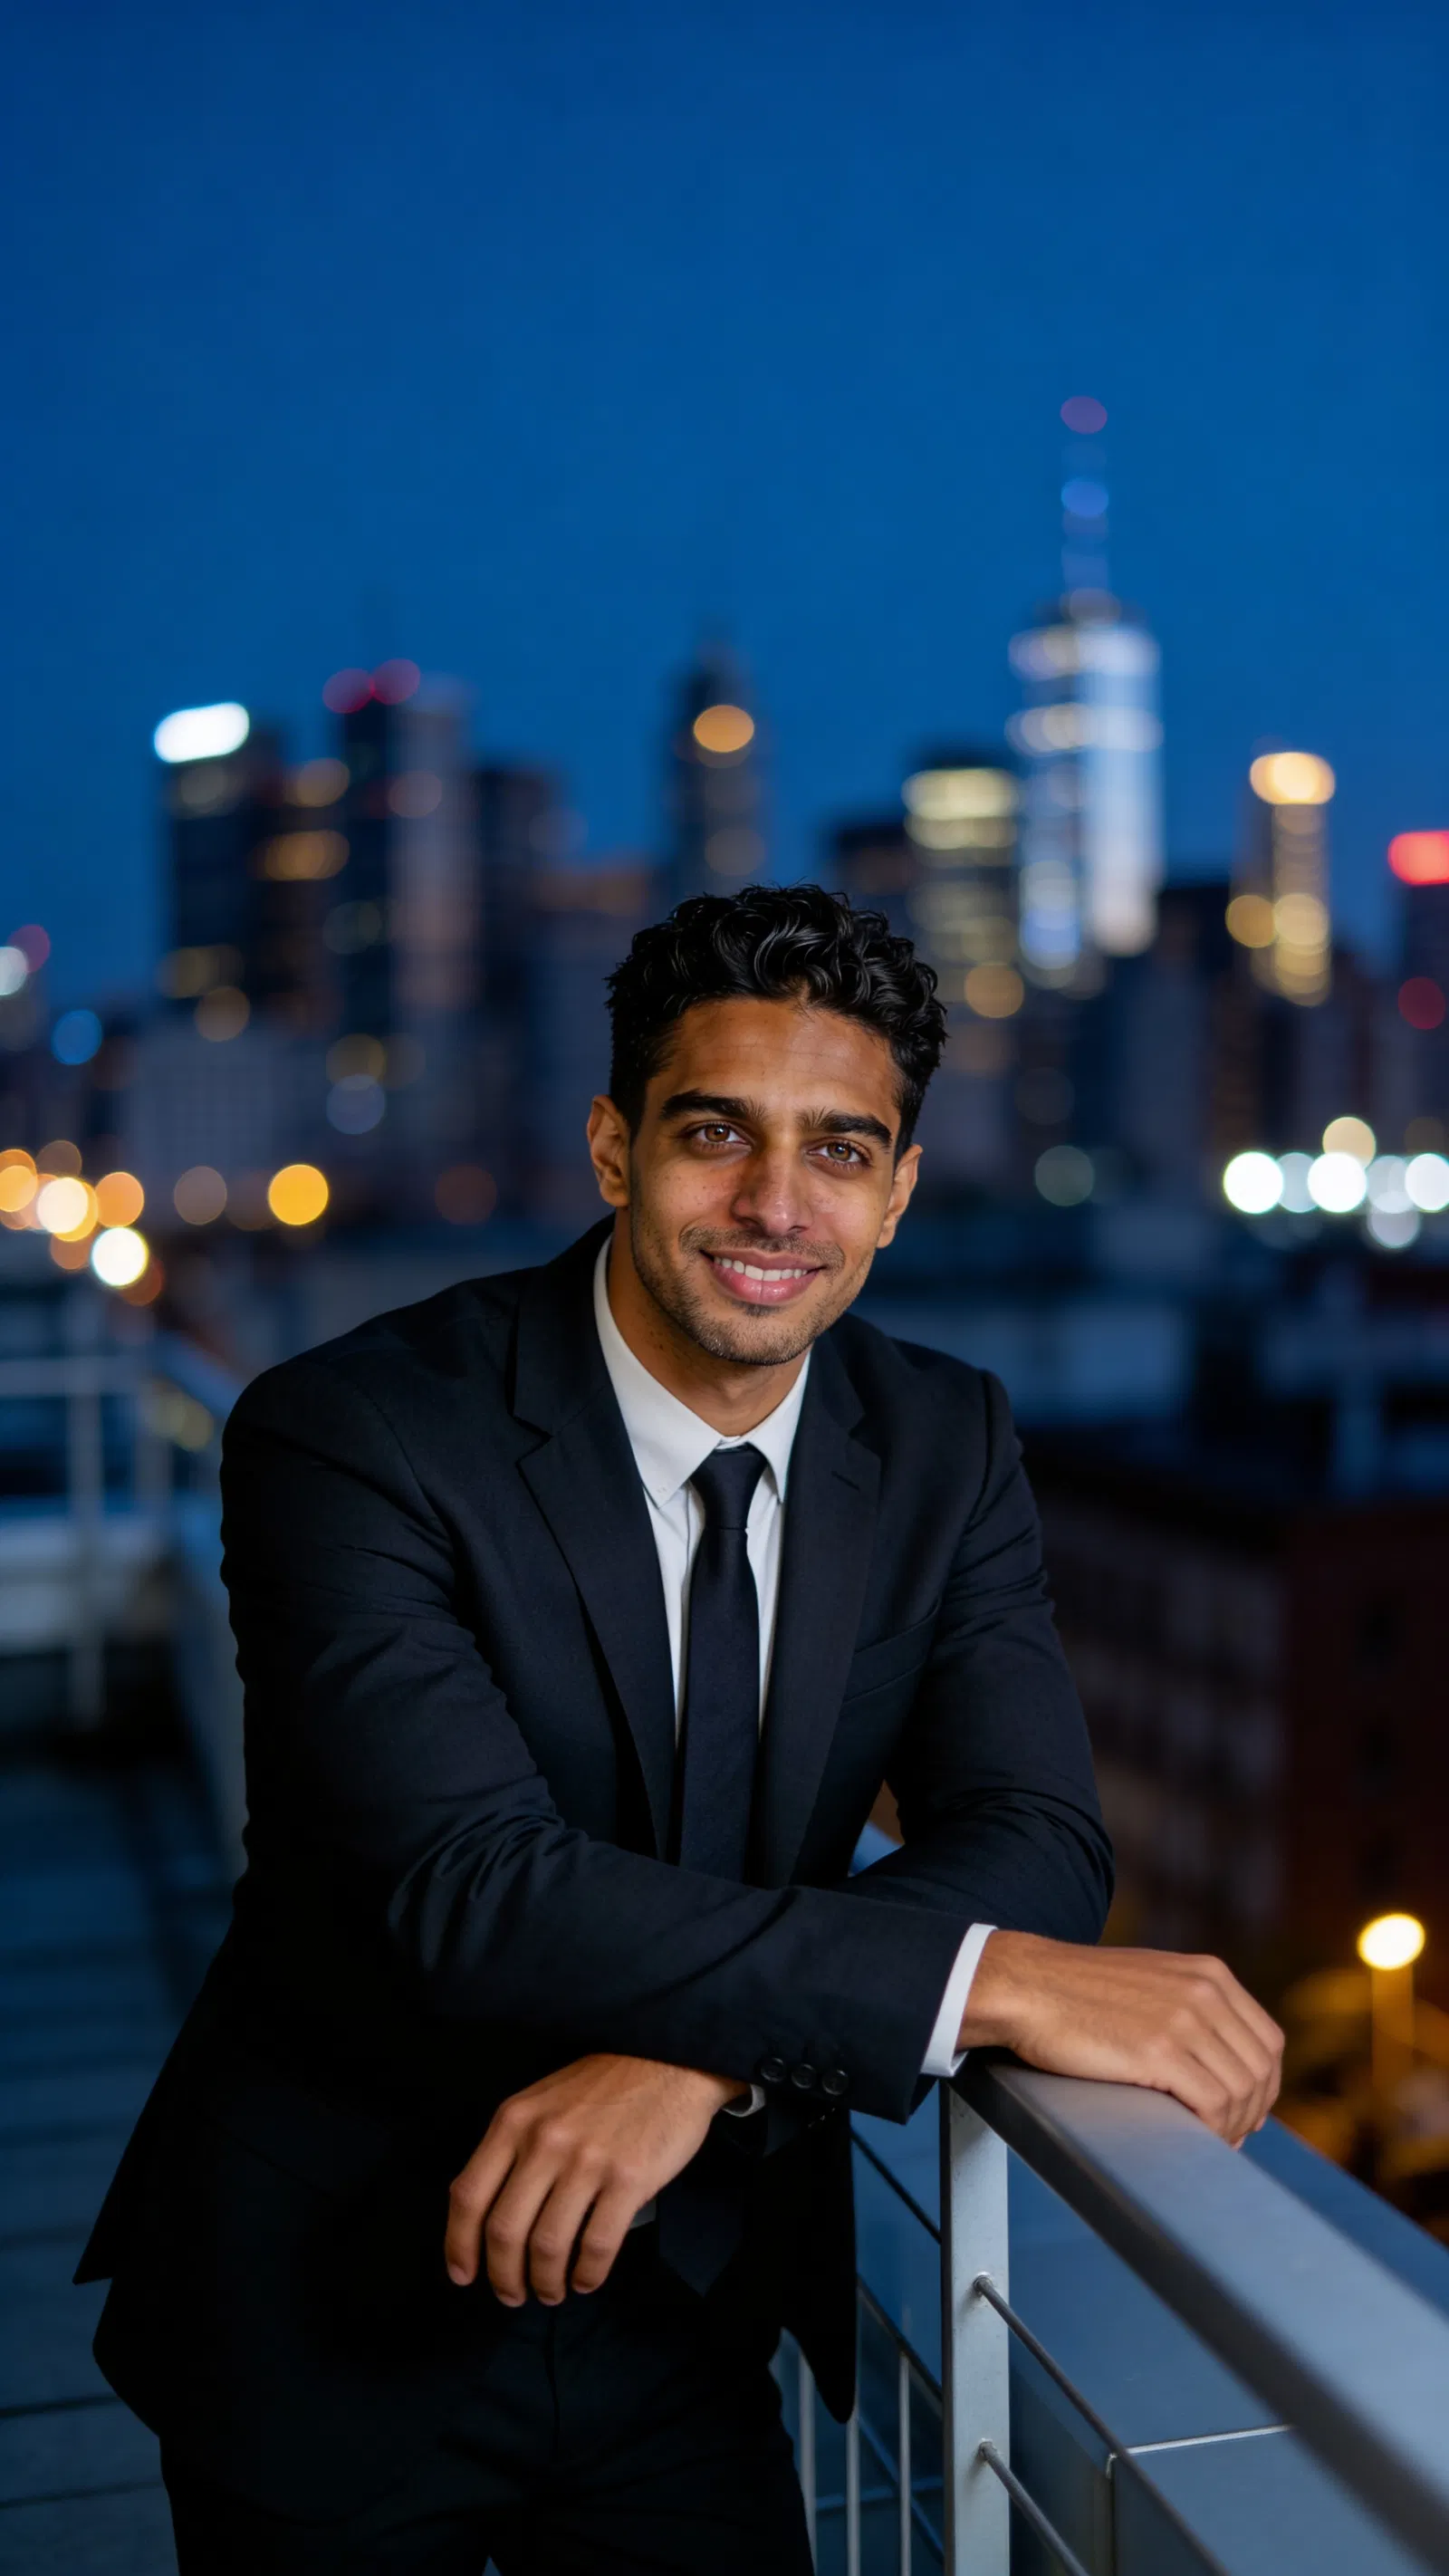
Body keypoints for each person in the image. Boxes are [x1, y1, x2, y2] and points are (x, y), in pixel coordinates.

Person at [79, 884, 1282, 2573]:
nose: (776, 1203)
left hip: (687, 2294)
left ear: (898, 1193)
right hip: (336, 2298)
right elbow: (471, 1888)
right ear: (613, 1149)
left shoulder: (942, 1441)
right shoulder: (356, 1433)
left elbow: (1033, 1831)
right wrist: (983, 1982)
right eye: (717, 1133)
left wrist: (705, 2067)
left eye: (840, 1150)